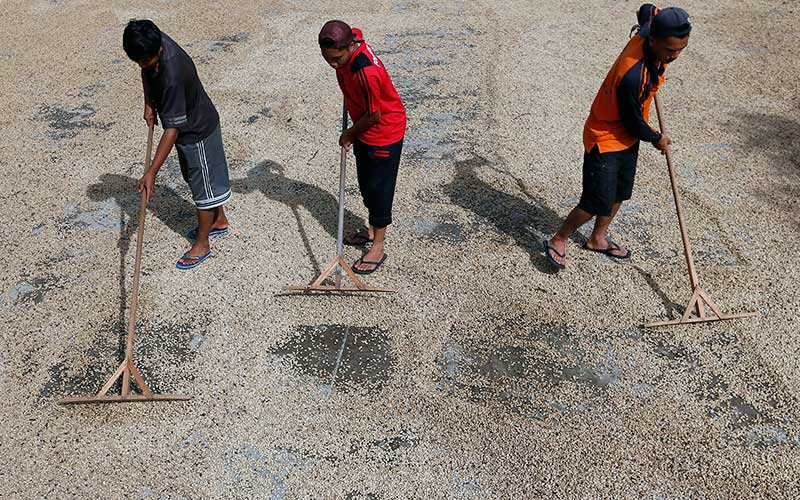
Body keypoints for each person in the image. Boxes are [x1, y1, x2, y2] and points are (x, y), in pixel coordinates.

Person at [544, 5, 691, 269]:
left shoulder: (650, 29)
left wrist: (646, 22)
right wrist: (657, 138)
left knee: (620, 192)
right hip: (606, 136)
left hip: (626, 139)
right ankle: (559, 238)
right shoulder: (632, 75)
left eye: (681, 49)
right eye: (670, 50)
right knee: (593, 202)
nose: (675, 56)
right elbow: (633, 123)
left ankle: (597, 239)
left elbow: (647, 8)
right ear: (653, 40)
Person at [122, 19, 232, 270]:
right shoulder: (153, 39)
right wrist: (149, 101)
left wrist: (151, 172)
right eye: (138, 61)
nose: (142, 65)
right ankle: (219, 220)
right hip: (189, 126)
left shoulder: (172, 74)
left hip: (197, 131)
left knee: (203, 188)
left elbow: (172, 130)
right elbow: (146, 69)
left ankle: (202, 244)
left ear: (158, 51)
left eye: (146, 60)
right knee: (199, 179)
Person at [318, 20, 407, 275]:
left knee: (379, 189)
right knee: (366, 184)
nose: (333, 64)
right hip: (365, 130)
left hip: (383, 132)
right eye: (327, 59)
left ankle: (378, 245)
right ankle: (370, 230)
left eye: (337, 58)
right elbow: (353, 29)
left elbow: (374, 114)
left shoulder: (366, 72)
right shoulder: (351, 39)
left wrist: (349, 134)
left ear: (350, 46)